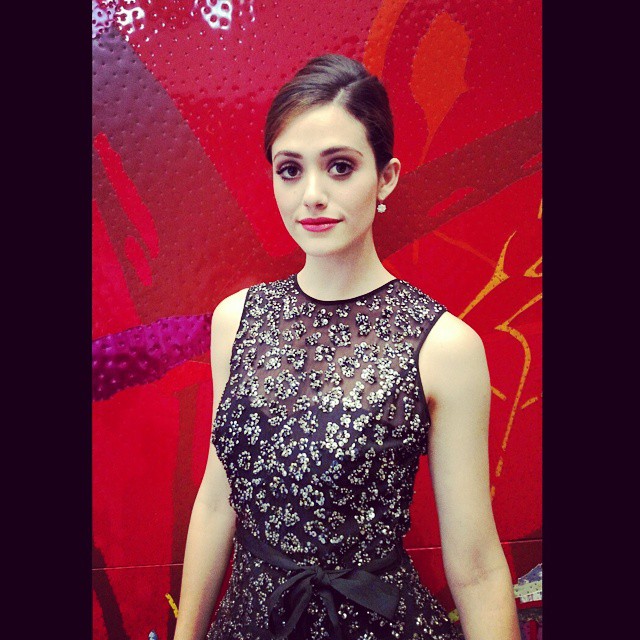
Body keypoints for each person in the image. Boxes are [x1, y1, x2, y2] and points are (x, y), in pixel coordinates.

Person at [173, 54, 520, 640]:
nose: (312, 195)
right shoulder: (236, 320)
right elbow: (215, 500)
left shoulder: (444, 347)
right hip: (250, 624)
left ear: (385, 178)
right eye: (290, 169)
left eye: (340, 166)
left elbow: (479, 568)